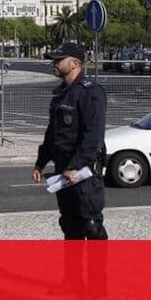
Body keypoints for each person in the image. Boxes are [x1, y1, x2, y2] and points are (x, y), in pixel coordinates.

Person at [33, 42, 108, 241]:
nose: (54, 64)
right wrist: (40, 163)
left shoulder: (91, 92)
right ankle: (72, 273)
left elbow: (94, 136)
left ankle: (98, 273)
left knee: (91, 225)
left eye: (59, 60)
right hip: (62, 167)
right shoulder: (61, 93)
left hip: (83, 171)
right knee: (69, 224)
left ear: (74, 63)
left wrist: (75, 166)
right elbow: (53, 133)